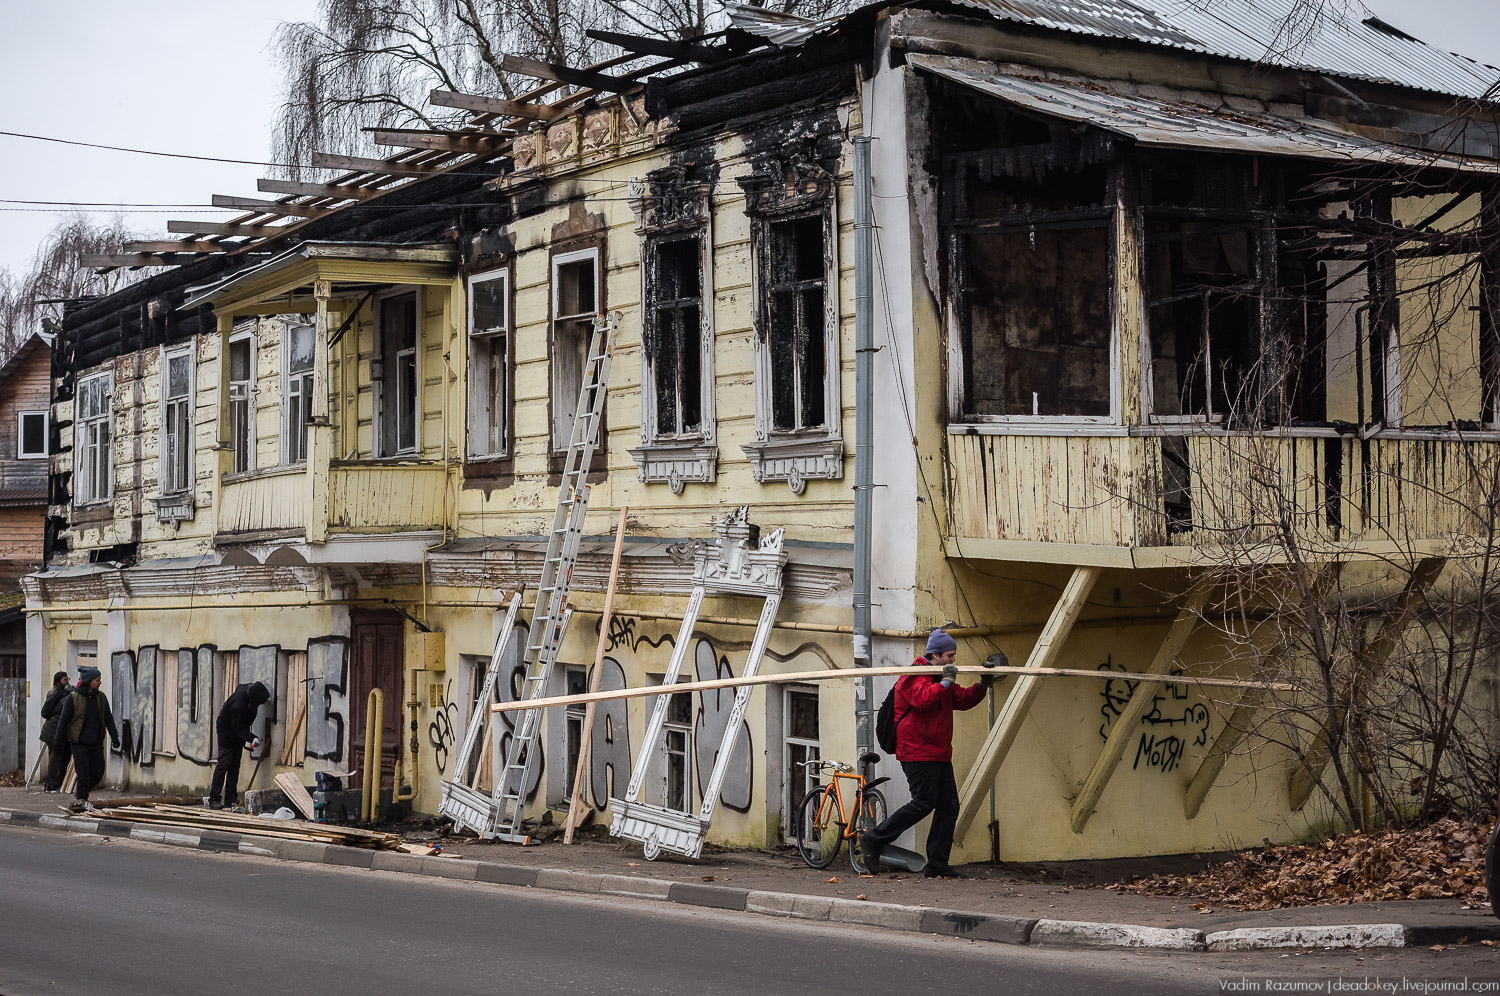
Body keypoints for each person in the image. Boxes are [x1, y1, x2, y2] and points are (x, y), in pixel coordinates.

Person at [860, 630, 995, 878]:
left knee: (949, 806)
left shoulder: (941, 676)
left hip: (938, 752)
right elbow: (922, 699)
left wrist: (983, 684)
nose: (953, 660)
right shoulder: (915, 675)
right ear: (935, 655)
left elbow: (962, 700)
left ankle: (937, 865)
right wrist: (946, 682)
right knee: (924, 802)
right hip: (917, 752)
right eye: (950, 656)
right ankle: (874, 839)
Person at [51, 666, 119, 813]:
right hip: (79, 743)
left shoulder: (100, 698)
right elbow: (63, 721)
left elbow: (108, 718)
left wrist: (115, 737)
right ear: (88, 681)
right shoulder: (73, 698)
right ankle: (81, 800)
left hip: (95, 742)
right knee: (83, 773)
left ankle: (81, 794)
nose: (100, 682)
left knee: (98, 772)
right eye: (97, 680)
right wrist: (58, 741)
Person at [209, 680, 270, 810]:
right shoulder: (238, 706)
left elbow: (241, 728)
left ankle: (230, 797)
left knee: (235, 765)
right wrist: (252, 738)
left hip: (239, 732)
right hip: (226, 733)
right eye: (257, 704)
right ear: (252, 701)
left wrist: (248, 737)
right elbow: (238, 729)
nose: (258, 706)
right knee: (224, 763)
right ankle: (214, 798)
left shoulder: (248, 693)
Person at [38, 671, 71, 793]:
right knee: (55, 758)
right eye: (65, 680)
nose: (67, 682)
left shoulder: (60, 692)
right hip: (53, 731)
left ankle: (49, 784)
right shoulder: (55, 694)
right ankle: (53, 785)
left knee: (57, 758)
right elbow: (63, 707)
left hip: (55, 730)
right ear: (58, 682)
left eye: (68, 679)